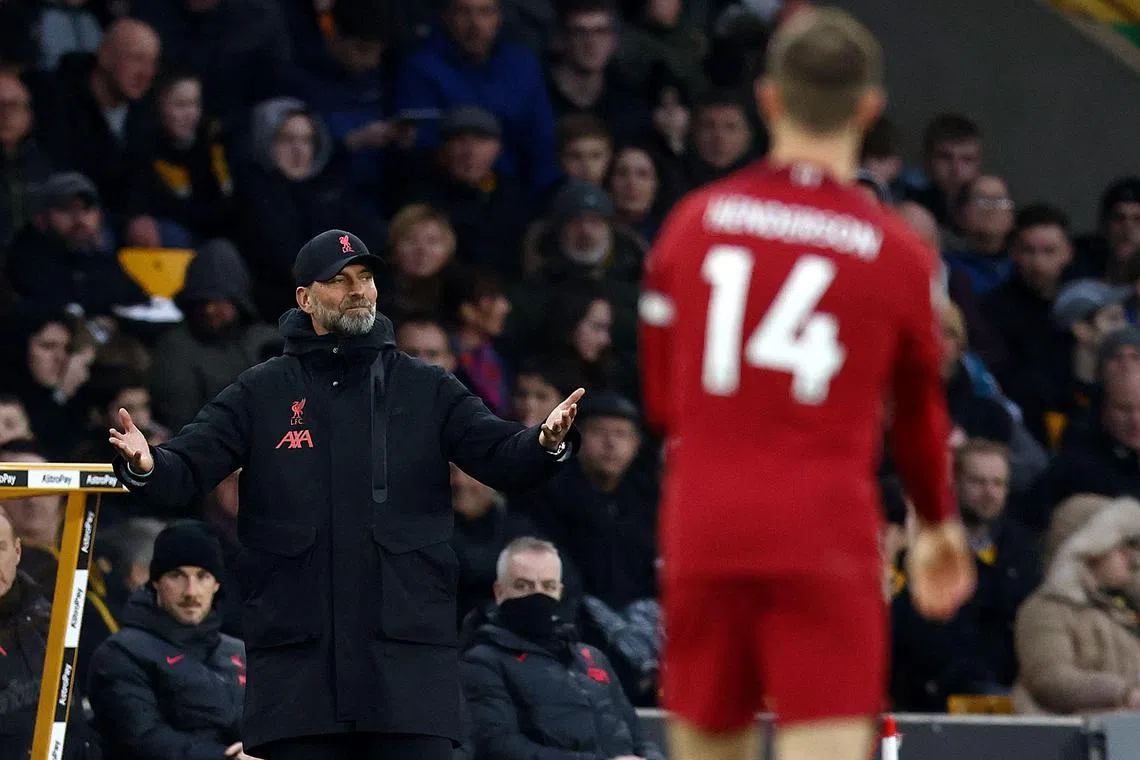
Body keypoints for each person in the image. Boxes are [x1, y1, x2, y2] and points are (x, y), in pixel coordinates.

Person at [107, 228, 585, 760]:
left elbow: (502, 455)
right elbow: (188, 467)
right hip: (298, 675)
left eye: (365, 278)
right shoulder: (262, 390)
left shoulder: (425, 387)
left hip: (407, 673)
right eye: (340, 281)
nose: (359, 290)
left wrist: (546, 441)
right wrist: (147, 463)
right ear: (305, 299)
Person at [637, 9, 975, 760]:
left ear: (767, 100)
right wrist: (938, 523)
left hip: (708, 526)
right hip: (824, 536)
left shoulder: (691, 225)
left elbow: (662, 403)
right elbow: (919, 420)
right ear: (868, 110)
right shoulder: (897, 254)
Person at [459, 536, 664, 760]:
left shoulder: (592, 658)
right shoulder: (483, 661)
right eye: (523, 586)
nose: (538, 594)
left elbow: (639, 738)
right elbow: (500, 747)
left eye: (548, 586)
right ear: (499, 592)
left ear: (559, 591)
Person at [87, 520, 248, 760]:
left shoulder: (239, 651)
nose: (191, 591)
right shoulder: (121, 653)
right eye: (177, 575)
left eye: (202, 576)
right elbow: (142, 740)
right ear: (155, 581)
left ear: (216, 585)